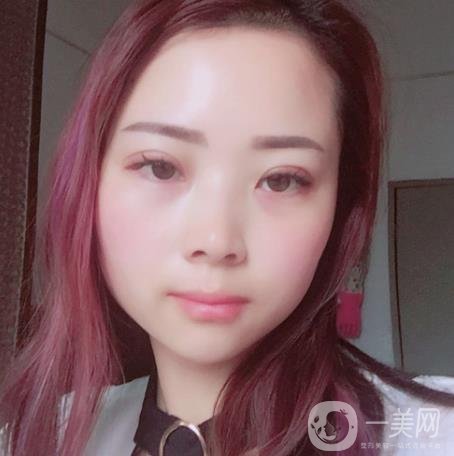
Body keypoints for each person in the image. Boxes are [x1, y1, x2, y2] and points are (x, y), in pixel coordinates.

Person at [1, 1, 454, 455]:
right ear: (88, 182)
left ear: (340, 207)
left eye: (281, 179)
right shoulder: (38, 437)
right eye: (160, 167)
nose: (216, 242)